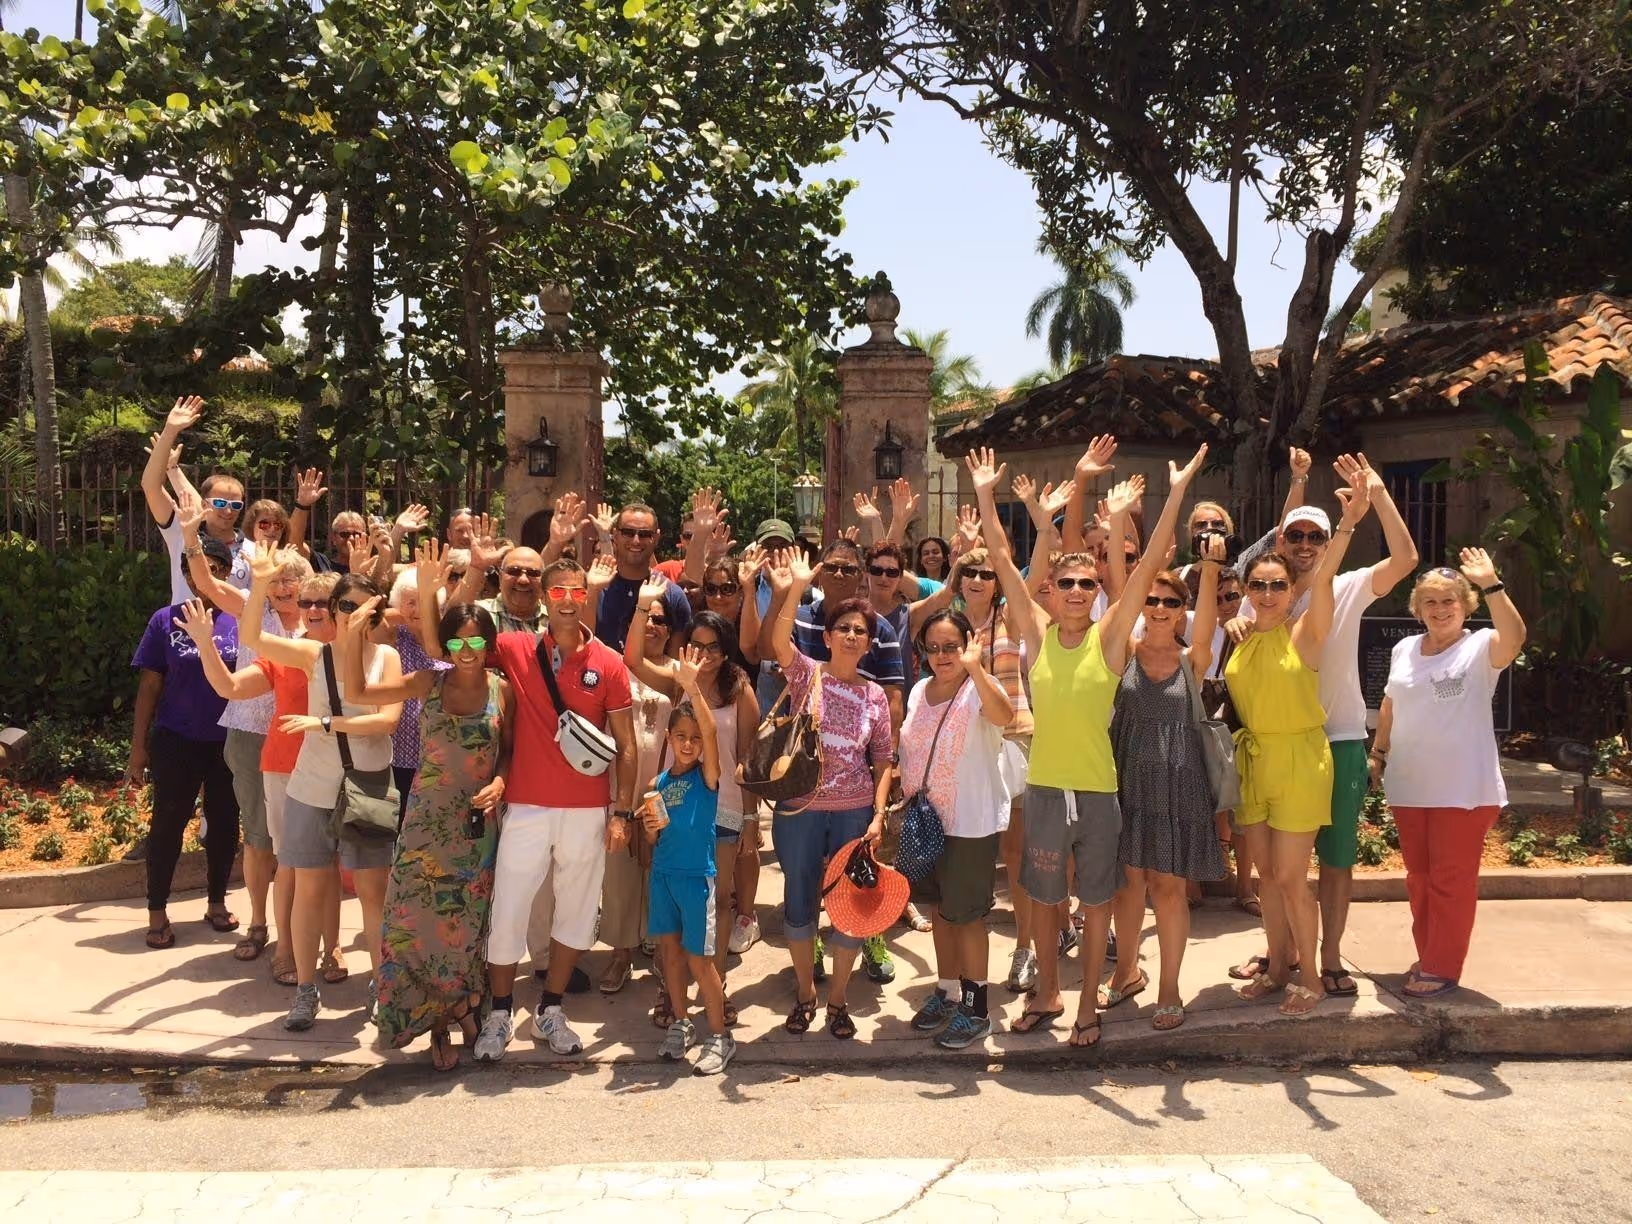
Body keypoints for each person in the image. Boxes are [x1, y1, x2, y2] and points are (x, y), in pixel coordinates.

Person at [969, 442, 1206, 1047]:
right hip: (1046, 790)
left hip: (1099, 794)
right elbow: (1000, 556)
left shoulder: (1109, 636)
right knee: (1045, 901)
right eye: (1066, 582)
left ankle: (1086, 1008)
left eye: (1086, 583)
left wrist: (1176, 491)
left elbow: (1150, 564)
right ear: (1049, 589)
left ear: (1096, 588)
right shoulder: (1037, 632)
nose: (1076, 590)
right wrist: (985, 494)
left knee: (1097, 904)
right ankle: (1047, 993)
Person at [473, 557, 638, 1061]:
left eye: (576, 590)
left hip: (587, 809)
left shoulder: (609, 662)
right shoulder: (515, 647)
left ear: (587, 595)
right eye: (559, 591)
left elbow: (627, 745)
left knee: (577, 910)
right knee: (509, 908)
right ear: (545, 598)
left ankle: (551, 1008)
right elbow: (449, 642)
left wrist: (622, 813)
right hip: (526, 804)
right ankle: (500, 1013)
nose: (568, 599)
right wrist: (471, 570)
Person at [341, 596, 513, 1070]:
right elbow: (358, 689)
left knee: (466, 927)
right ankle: (436, 1020)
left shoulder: (502, 690)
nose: (466, 651)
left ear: (488, 644)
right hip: (424, 826)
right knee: (413, 928)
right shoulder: (427, 682)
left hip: (475, 830)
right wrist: (353, 635)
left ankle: (464, 1007)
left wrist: (500, 782)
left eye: (475, 641)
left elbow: (508, 750)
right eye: (457, 642)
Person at [1224, 463, 1370, 1018]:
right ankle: (1278, 968)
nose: (1267, 593)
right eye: (1258, 585)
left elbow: (1325, 577)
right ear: (1248, 590)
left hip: (1301, 762)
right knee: (1266, 878)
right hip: (1255, 762)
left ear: (1292, 591)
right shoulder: (1239, 636)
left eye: (1278, 585)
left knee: (1290, 877)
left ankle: (1310, 976)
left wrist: (1349, 523)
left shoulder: (1306, 633)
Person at [241, 553, 404, 1031]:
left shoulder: (387, 658)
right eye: (344, 606)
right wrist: (261, 583)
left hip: (369, 785)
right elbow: (252, 638)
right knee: (309, 890)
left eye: (362, 606)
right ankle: (305, 991)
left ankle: (380, 987)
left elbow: (387, 721)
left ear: (375, 612)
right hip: (312, 787)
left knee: (373, 892)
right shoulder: (314, 654)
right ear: (333, 611)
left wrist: (327, 723)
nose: (352, 614)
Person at [1371, 550, 1524, 998]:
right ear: (1417, 609)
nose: (1440, 610)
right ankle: (1430, 955)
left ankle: (1442, 965)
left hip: (1463, 790)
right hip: (1409, 785)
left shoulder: (1482, 646)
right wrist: (1378, 754)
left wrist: (1491, 583)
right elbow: (1390, 704)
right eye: (1430, 602)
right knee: (1419, 879)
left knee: (1450, 881)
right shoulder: (1404, 649)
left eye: (1449, 601)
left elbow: (1515, 638)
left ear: (1466, 605)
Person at [180, 572, 345, 986]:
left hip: (343, 766)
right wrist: (204, 643)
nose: (311, 610)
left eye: (322, 602)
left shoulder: (358, 651)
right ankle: (286, 950)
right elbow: (230, 687)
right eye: (305, 602)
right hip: (285, 766)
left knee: (330, 862)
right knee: (289, 861)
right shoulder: (286, 652)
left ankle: (332, 946)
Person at [763, 534, 906, 983]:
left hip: (853, 811)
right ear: (827, 637)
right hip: (800, 808)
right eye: (842, 628)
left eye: (859, 631)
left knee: (853, 894)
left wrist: (878, 814)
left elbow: (882, 758)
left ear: (869, 643)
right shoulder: (806, 674)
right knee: (800, 894)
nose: (850, 635)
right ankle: (807, 982)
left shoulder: (875, 697)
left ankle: (843, 991)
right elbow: (778, 641)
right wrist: (796, 586)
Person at [176, 495, 311, 966]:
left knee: (310, 840)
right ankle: (258, 923)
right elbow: (206, 584)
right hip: (254, 734)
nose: (283, 587)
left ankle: (308, 930)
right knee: (259, 837)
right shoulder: (256, 610)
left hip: (311, 738)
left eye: (291, 578)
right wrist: (190, 535)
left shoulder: (320, 621)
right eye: (275, 579)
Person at [1105, 553, 1229, 1031]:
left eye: (1170, 602)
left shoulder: (1192, 659)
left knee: (1169, 888)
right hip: (1129, 780)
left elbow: (1207, 629)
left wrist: (1211, 567)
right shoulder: (1124, 650)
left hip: (1178, 786)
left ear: (1182, 610)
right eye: (1152, 600)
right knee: (1127, 886)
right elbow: (1120, 591)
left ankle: (1169, 988)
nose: (1159, 608)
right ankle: (1126, 972)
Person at [625, 590, 758, 1024]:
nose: (703, 654)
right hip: (676, 805)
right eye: (696, 645)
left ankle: (715, 986)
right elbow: (632, 659)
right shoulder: (676, 680)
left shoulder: (739, 690)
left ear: (725, 650)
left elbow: (747, 759)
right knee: (674, 901)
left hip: (724, 804)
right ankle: (671, 989)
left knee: (717, 900)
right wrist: (643, 605)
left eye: (712, 646)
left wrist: (751, 818)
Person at [902, 610, 1016, 1049]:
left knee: (967, 918)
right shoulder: (918, 691)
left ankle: (976, 1008)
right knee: (939, 911)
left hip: (969, 823)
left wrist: (976, 668)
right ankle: (948, 990)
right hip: (926, 821)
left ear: (969, 643)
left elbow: (1004, 716)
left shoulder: (978, 690)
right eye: (933, 647)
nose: (942, 655)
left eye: (951, 646)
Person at [127, 536, 243, 950]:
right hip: (176, 740)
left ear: (227, 573)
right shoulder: (165, 620)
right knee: (168, 824)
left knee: (225, 823)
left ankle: (216, 902)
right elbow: (149, 686)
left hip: (228, 741)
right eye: (198, 567)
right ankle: (157, 911)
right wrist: (138, 748)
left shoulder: (240, 619)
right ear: (186, 574)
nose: (205, 575)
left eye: (217, 567)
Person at [643, 645, 737, 1075]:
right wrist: (649, 829)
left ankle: (720, 1036)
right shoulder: (658, 783)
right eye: (680, 736)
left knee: (700, 959)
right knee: (670, 954)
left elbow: (712, 732)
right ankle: (682, 1024)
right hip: (663, 875)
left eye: (694, 739)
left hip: (696, 878)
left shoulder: (707, 776)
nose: (688, 743)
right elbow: (655, 835)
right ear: (668, 739)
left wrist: (691, 687)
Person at [140, 395, 251, 603]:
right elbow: (151, 487)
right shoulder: (181, 532)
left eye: (235, 505)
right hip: (184, 622)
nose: (228, 511)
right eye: (220, 503)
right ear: (204, 504)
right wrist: (170, 430)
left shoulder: (252, 551)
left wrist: (173, 469)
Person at [594, 503, 695, 653]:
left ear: (656, 537)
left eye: (644, 534)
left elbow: (675, 662)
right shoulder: (595, 589)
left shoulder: (673, 595)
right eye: (628, 532)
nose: (636, 540)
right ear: (615, 535)